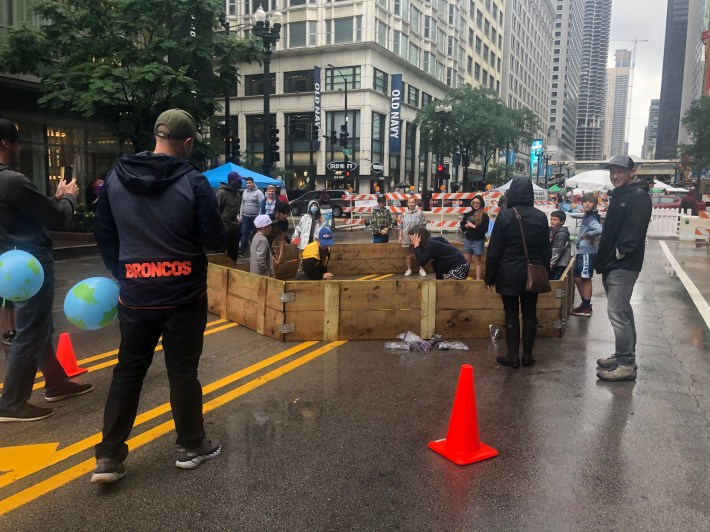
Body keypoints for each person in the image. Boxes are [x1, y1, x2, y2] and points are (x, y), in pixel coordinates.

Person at [91, 108, 226, 483]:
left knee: (127, 372)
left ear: (155, 136)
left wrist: (125, 272)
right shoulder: (194, 181)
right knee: (182, 371)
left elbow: (103, 232)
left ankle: (108, 457)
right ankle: (190, 445)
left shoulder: (116, 177)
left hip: (135, 294)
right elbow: (213, 239)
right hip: (183, 295)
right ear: (186, 142)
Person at [0, 119, 93, 423]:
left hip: (8, 266)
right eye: (16, 143)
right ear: (5, 144)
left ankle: (56, 382)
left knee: (37, 328)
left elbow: (26, 215)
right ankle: (12, 402)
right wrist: (68, 197)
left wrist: (52, 200)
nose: (18, 148)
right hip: (30, 264)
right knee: (31, 331)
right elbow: (58, 218)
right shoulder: (12, 180)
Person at [594, 155, 652, 382]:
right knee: (623, 312)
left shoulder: (638, 196)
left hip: (622, 264)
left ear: (632, 172)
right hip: (613, 263)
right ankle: (623, 356)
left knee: (617, 313)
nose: (615, 175)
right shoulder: (622, 195)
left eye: (620, 171)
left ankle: (626, 364)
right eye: (612, 172)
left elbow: (632, 233)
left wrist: (619, 253)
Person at [485, 178, 551, 368]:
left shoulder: (505, 217)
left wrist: (490, 276)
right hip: (533, 271)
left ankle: (512, 356)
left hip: (509, 272)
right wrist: (546, 272)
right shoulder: (540, 217)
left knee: (511, 314)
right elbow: (546, 249)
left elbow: (495, 251)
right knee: (530, 314)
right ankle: (528, 355)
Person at [571, 192, 603, 316]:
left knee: (585, 279)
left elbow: (600, 230)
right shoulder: (588, 216)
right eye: (585, 202)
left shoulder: (591, 217)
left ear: (595, 204)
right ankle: (585, 304)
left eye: (590, 202)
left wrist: (588, 235)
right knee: (578, 278)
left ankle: (586, 308)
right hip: (583, 251)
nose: (587, 204)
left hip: (586, 252)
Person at [292, 200, 324, 278]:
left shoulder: (320, 219)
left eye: (315, 206)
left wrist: (324, 222)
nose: (314, 207)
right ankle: (300, 277)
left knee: (312, 262)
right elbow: (298, 229)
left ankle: (312, 276)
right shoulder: (304, 217)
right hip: (303, 245)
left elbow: (324, 230)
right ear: (309, 207)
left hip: (314, 245)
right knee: (302, 262)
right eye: (312, 206)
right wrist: (295, 238)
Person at [460, 194, 489, 280]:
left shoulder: (484, 216)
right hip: (468, 240)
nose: (476, 204)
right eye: (474, 202)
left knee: (478, 262)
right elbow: (462, 227)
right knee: (466, 262)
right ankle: (463, 278)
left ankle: (478, 280)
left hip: (478, 241)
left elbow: (484, 230)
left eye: (478, 203)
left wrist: (473, 226)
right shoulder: (468, 214)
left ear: (481, 204)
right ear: (472, 203)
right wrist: (466, 226)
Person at [215, 171, 242, 261]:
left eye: (240, 181)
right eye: (238, 181)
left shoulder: (237, 194)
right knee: (220, 254)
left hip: (234, 227)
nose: (240, 183)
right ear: (231, 181)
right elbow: (215, 210)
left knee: (233, 255)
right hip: (223, 228)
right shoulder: (221, 193)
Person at [399, 196, 427, 276]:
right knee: (408, 253)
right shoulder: (404, 214)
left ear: (415, 203)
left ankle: (421, 269)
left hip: (417, 237)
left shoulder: (419, 213)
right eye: (409, 202)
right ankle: (409, 269)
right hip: (406, 237)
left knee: (419, 252)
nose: (411, 204)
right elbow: (401, 226)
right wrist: (400, 236)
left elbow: (423, 225)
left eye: (412, 202)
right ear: (407, 204)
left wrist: (420, 235)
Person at [238, 176, 264, 257]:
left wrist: (260, 217)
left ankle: (254, 251)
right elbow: (242, 204)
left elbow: (262, 205)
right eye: (247, 183)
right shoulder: (245, 192)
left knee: (254, 234)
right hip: (246, 216)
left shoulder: (258, 193)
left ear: (253, 183)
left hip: (255, 217)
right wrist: (241, 215)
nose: (248, 184)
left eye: (250, 183)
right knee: (244, 233)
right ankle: (241, 251)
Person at [549, 210, 571, 280]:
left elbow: (558, 250)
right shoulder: (553, 231)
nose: (552, 221)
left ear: (562, 221)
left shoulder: (562, 233)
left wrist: (551, 264)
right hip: (556, 263)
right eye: (551, 219)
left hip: (560, 264)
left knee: (556, 284)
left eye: (555, 220)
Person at [266, 200, 290, 266]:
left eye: (287, 214)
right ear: (278, 212)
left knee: (275, 262)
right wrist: (270, 252)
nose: (286, 216)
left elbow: (282, 239)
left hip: (269, 243)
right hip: (261, 242)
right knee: (268, 262)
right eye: (284, 213)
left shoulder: (284, 222)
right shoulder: (269, 219)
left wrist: (280, 255)